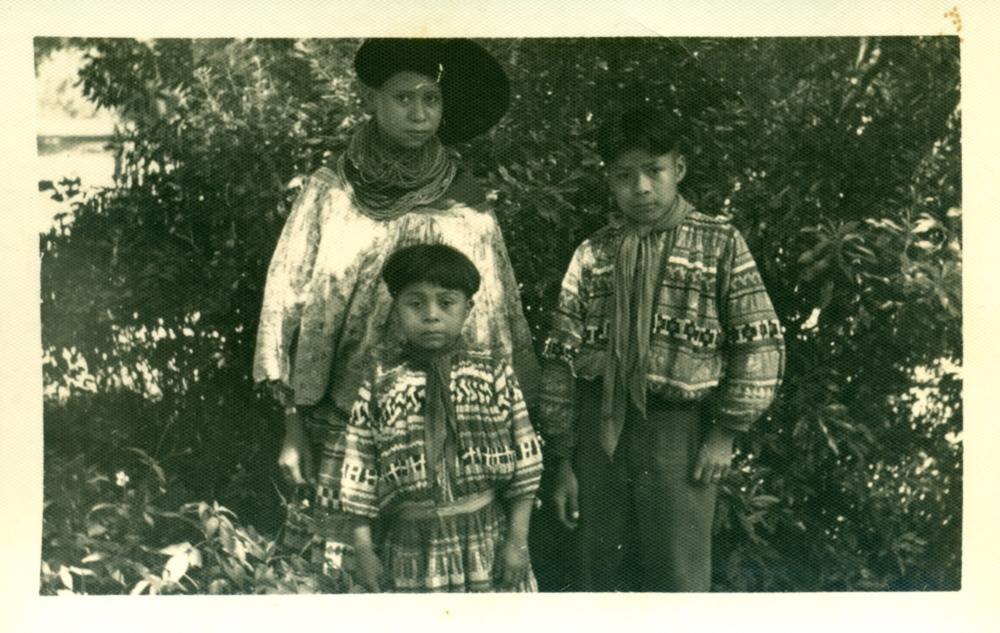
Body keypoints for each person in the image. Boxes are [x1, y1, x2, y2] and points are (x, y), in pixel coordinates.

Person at [252, 38, 538, 577]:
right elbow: (286, 300)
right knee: (344, 571)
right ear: (373, 101)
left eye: (431, 99)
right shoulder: (330, 192)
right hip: (343, 420)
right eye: (404, 98)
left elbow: (498, 310)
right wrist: (291, 425)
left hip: (453, 428)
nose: (419, 113)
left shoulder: (464, 196)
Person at [540, 106, 785, 592]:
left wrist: (725, 433)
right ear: (609, 181)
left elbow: (759, 339)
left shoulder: (718, 243)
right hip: (598, 431)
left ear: (680, 170)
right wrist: (564, 459)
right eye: (625, 175)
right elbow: (560, 357)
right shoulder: (594, 253)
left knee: (678, 579)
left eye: (654, 170)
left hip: (679, 434)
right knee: (596, 573)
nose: (642, 187)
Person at [325, 243, 542, 592]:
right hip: (412, 551)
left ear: (467, 308)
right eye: (415, 303)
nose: (431, 315)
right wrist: (364, 549)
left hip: (488, 540)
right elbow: (358, 472)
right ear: (396, 310)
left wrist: (517, 541)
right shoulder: (380, 382)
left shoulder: (492, 373)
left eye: (446, 302)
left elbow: (527, 466)